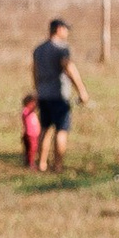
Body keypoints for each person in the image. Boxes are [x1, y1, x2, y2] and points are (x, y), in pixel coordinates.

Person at [29, 16, 86, 174]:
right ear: (59, 29)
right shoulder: (62, 49)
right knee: (61, 130)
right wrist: (81, 89)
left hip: (44, 95)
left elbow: (34, 71)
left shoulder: (38, 49)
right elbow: (69, 69)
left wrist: (37, 90)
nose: (67, 32)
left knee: (45, 129)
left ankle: (41, 163)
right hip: (59, 96)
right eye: (66, 29)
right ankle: (58, 165)